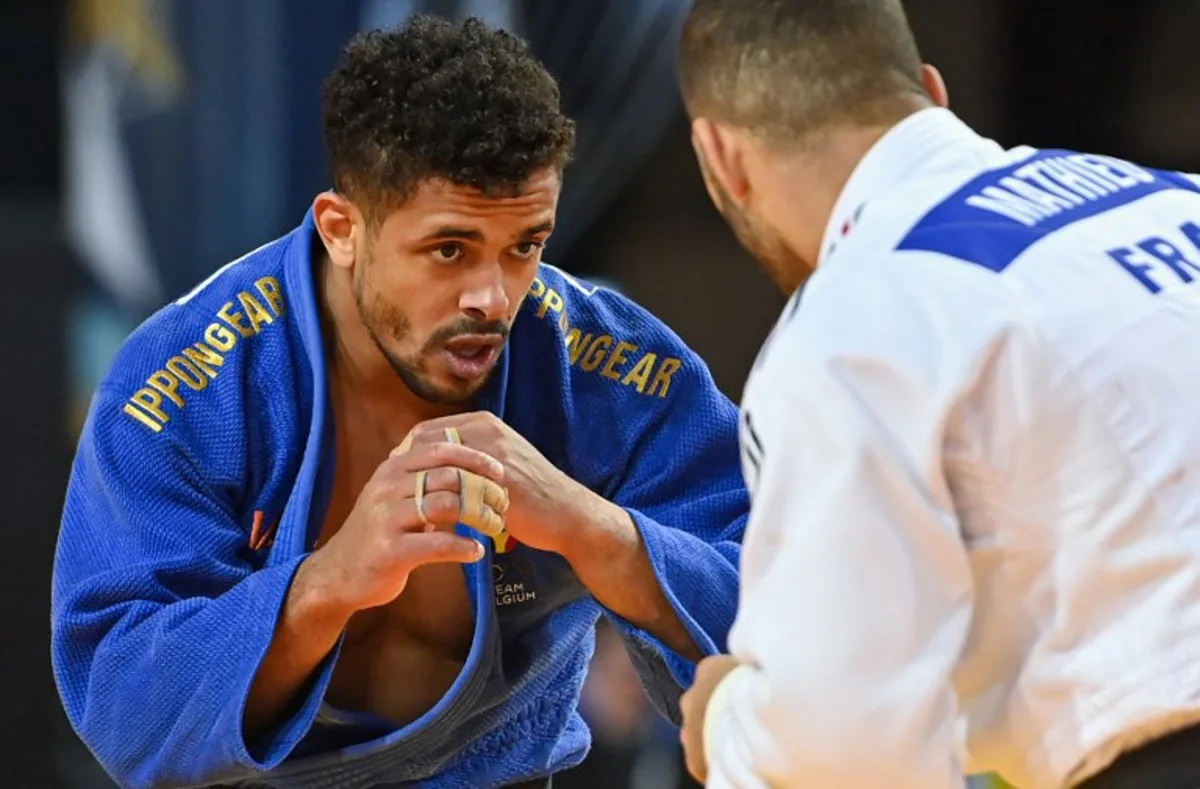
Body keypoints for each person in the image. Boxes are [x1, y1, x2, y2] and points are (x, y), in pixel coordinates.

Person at [51, 15, 749, 789]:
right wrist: (326, 584)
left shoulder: (604, 366)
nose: (491, 297)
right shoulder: (186, 383)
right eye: (448, 249)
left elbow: (786, 607)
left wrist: (596, 531)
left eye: (525, 245)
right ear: (342, 228)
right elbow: (121, 702)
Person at [671, 1, 1200, 788]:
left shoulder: (850, 322)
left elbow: (846, 752)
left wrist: (730, 722)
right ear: (929, 90)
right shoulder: (1174, 197)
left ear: (719, 156)